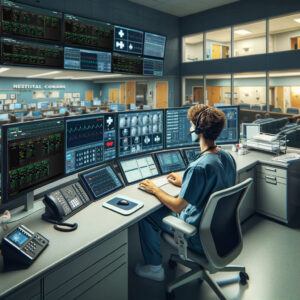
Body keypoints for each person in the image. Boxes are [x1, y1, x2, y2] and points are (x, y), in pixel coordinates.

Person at [135, 104, 236, 281]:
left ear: (198, 129)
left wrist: (155, 189)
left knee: (146, 215)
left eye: (191, 124)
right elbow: (216, 187)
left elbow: (176, 207)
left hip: (194, 233)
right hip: (220, 232)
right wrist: (185, 182)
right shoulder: (226, 157)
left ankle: (154, 268)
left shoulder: (198, 167)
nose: (190, 127)